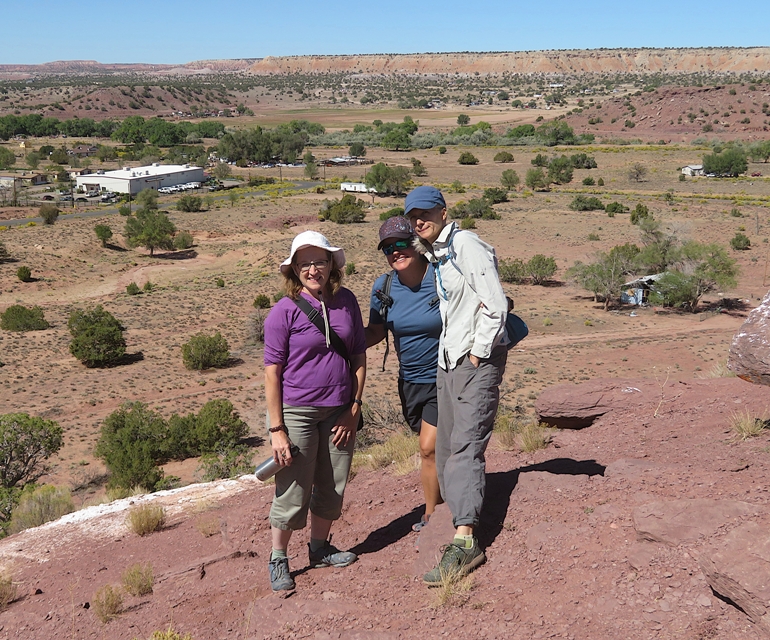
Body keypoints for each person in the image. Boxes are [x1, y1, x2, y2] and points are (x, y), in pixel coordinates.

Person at [404, 186, 508, 586]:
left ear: (443, 212)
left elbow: (495, 304)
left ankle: (466, 541)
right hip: (448, 362)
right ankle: (456, 515)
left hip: (471, 360)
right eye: (414, 215)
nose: (419, 220)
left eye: (426, 212)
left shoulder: (465, 244)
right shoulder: (437, 253)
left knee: (464, 446)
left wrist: (478, 354)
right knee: (445, 448)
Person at [263, 230, 366, 592]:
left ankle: (320, 549)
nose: (312, 269)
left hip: (339, 409)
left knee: (333, 484)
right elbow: (272, 372)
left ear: (331, 265)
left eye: (319, 261)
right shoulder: (283, 311)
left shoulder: (347, 301)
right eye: (304, 263)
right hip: (297, 412)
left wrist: (353, 407)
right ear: (293, 270)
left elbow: (358, 356)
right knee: (293, 488)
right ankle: (278, 558)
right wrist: (277, 429)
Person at [365, 216, 443, 532]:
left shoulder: (440, 276)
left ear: (416, 242)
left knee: (428, 447)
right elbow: (375, 333)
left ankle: (432, 516)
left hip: (445, 377)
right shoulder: (384, 288)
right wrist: (335, 337)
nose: (395, 251)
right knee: (433, 449)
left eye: (401, 243)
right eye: (387, 247)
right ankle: (451, 499)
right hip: (409, 382)